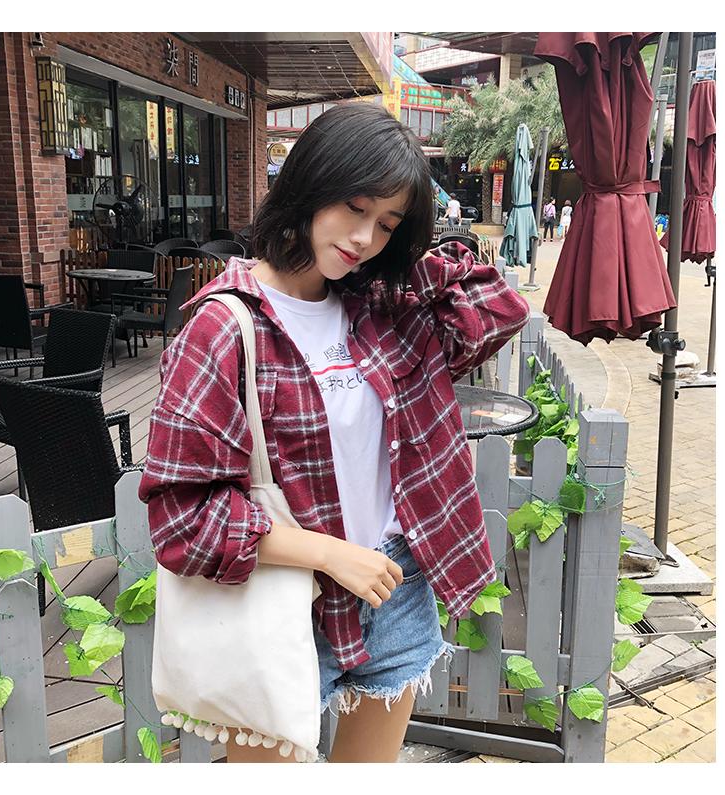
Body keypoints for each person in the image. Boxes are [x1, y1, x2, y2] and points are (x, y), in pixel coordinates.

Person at [139, 103, 530, 763]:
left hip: (393, 584)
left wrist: (404, 261)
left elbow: (498, 308)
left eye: (388, 224)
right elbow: (183, 520)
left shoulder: (376, 308)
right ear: (311, 182)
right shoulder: (223, 328)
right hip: (283, 601)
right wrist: (329, 554)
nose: (365, 237)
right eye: (355, 206)